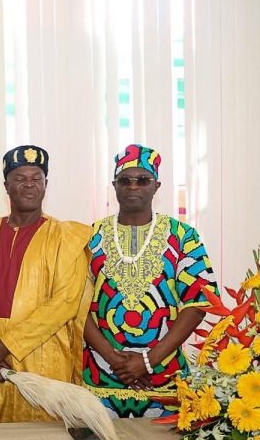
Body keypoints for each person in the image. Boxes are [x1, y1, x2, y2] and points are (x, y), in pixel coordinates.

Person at [83, 144, 219, 417]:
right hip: (101, 377)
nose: (133, 186)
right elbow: (75, 305)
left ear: (156, 186)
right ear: (114, 186)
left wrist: (148, 361)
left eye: (142, 180)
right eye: (125, 180)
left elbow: (198, 303)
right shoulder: (89, 237)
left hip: (164, 378)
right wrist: (114, 359)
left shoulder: (183, 236)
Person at [0, 145, 93, 423]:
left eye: (37, 178)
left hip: (44, 360)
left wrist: (7, 345)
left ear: (46, 185)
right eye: (20, 178)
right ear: (6, 186)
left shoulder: (66, 237)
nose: (29, 184)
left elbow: (65, 303)